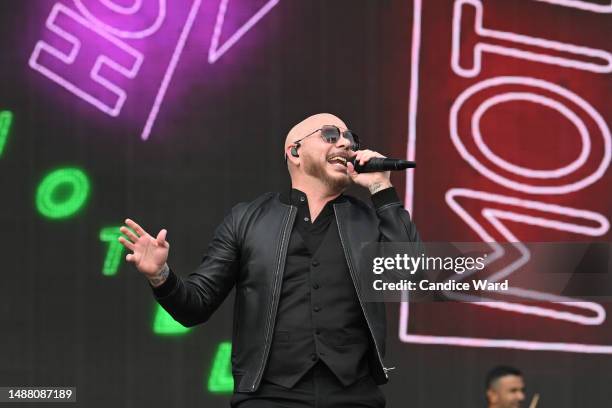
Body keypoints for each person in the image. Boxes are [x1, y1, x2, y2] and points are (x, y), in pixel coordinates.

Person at [118, 113, 421, 407]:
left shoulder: (368, 220)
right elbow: (195, 306)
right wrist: (160, 275)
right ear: (295, 151)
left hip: (354, 396)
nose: (346, 144)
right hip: (269, 396)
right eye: (331, 135)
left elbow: (411, 277)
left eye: (350, 139)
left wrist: (381, 188)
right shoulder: (247, 219)